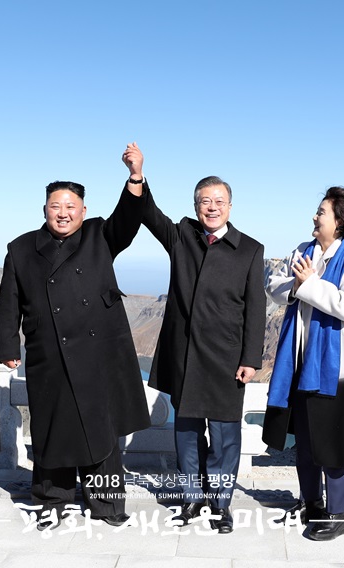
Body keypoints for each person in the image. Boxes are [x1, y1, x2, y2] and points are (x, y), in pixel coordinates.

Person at [0, 158, 151, 531]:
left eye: (70, 207)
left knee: (102, 427)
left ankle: (108, 506)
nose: (63, 214)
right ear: (44, 209)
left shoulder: (101, 234)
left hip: (100, 354)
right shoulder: (21, 248)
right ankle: (52, 501)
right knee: (52, 428)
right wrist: (8, 348)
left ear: (84, 210)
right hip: (48, 351)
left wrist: (135, 178)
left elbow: (129, 217)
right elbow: (9, 301)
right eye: (56, 206)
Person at [125, 143, 265, 534]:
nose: (212, 207)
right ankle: (191, 498)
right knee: (186, 434)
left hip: (225, 359)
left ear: (230, 207)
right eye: (205, 201)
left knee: (224, 437)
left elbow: (255, 309)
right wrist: (137, 175)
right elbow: (150, 215)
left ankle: (220, 504)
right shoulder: (182, 235)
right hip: (185, 356)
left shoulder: (250, 250)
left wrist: (250, 358)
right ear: (196, 205)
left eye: (219, 201)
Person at [263, 186, 344, 541]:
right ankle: (311, 504)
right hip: (301, 362)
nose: (315, 217)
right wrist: (301, 285)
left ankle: (338, 514)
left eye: (321, 212)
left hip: (336, 371)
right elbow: (274, 284)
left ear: (340, 221)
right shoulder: (303, 251)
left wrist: (309, 283)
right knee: (308, 441)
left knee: (334, 441)